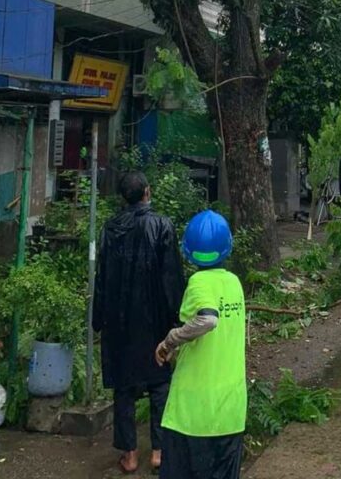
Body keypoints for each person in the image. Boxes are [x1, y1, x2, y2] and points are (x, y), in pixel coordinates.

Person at [93, 171, 185, 475]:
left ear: (124, 196)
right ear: (148, 191)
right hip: (153, 319)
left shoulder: (110, 228)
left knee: (124, 387)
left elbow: (102, 278)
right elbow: (171, 277)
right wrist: (177, 317)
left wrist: (98, 318)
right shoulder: (162, 225)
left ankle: (130, 455)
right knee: (159, 383)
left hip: (119, 322)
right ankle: (158, 451)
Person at [155, 209, 247, 479]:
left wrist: (170, 341)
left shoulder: (197, 282)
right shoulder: (234, 283)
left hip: (192, 415)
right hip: (230, 412)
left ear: (188, 251)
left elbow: (208, 320)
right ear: (227, 247)